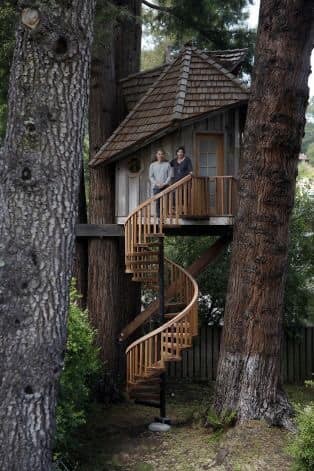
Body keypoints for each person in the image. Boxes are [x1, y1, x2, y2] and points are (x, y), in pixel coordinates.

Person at [149, 149, 172, 217]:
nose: (160, 155)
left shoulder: (167, 164)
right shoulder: (152, 165)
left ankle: (165, 216)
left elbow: (169, 176)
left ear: (164, 155)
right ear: (156, 155)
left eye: (162, 154)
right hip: (156, 186)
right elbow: (151, 176)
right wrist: (157, 183)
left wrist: (164, 183)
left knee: (166, 201)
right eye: (159, 154)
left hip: (165, 185)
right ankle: (159, 217)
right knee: (158, 202)